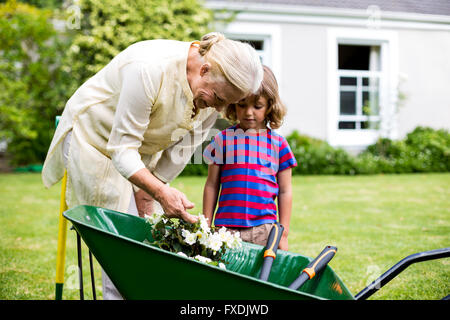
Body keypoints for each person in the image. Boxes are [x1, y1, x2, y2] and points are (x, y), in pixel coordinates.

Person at [42, 32, 263, 299]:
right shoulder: (149, 68)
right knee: (119, 239)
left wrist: (150, 191)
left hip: (140, 151)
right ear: (205, 69)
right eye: (218, 98)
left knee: (149, 234)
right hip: (95, 141)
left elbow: (181, 151)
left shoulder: (209, 94)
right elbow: (122, 149)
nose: (218, 109)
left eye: (227, 103)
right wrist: (159, 191)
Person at [202, 65, 297, 251]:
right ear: (232, 103)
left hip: (265, 230)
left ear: (270, 106)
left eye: (257, 106)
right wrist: (206, 225)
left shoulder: (279, 145)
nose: (248, 112)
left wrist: (283, 233)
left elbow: (285, 191)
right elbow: (212, 184)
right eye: (242, 104)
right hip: (226, 229)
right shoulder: (222, 140)